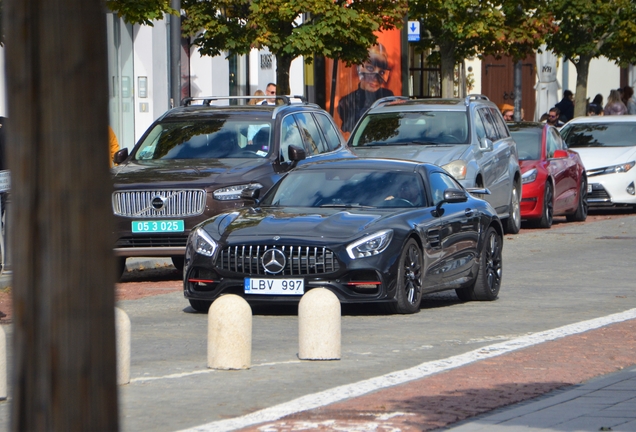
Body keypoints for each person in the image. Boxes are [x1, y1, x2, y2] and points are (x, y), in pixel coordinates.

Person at [337, 44, 394, 133]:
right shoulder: (346, 102)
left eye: (381, 72)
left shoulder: (388, 97)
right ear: (359, 68)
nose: (375, 78)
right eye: (370, 68)